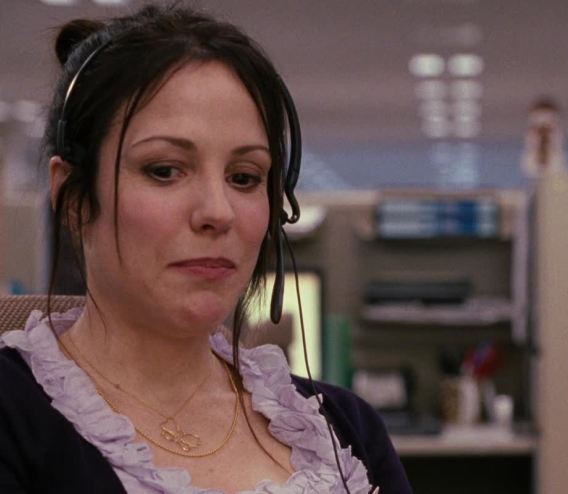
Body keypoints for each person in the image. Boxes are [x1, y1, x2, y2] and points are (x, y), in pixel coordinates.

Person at [0, 5, 410, 493]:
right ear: (72, 197)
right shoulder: (13, 416)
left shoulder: (345, 430)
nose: (218, 211)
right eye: (164, 170)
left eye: (245, 178)